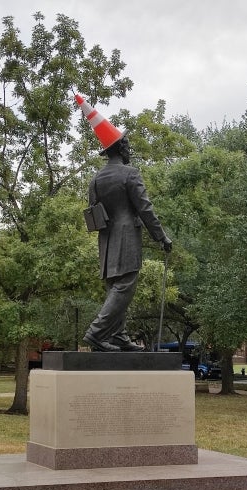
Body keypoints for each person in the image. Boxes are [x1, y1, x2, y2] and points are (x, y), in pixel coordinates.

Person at [76, 96, 172, 352]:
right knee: (125, 287)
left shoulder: (95, 179)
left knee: (114, 290)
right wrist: (161, 237)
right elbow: (145, 208)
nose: (129, 150)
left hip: (106, 242)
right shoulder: (131, 174)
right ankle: (97, 332)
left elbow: (94, 212)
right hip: (127, 237)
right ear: (119, 148)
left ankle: (118, 336)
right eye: (126, 146)